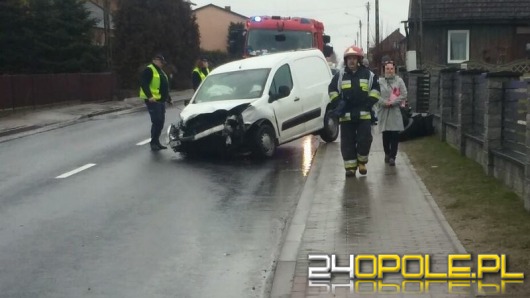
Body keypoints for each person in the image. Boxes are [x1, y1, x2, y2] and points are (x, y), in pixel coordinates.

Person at [328, 45, 381, 177]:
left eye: (354, 58)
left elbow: (376, 90)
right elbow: (332, 89)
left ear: (359, 60)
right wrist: (338, 102)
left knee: (365, 139)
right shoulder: (340, 75)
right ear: (346, 61)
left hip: (364, 114)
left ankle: (362, 162)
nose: (351, 61)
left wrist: (369, 102)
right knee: (347, 141)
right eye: (349, 59)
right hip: (346, 115)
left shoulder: (369, 75)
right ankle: (350, 168)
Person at [376, 60, 408, 166]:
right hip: (384, 111)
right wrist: (384, 102)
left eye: (391, 69)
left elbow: (404, 94)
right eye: (387, 69)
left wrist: (394, 102)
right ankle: (387, 153)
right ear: (384, 70)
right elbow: (375, 95)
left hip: (395, 111)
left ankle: (392, 157)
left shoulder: (399, 81)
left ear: (394, 69)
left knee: (395, 134)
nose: (389, 71)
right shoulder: (379, 82)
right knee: (386, 134)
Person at [139, 54, 173, 151]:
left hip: (161, 100)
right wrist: (149, 96)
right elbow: (144, 83)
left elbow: (165, 87)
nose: (162, 64)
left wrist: (169, 98)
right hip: (153, 100)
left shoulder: (161, 71)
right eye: (161, 62)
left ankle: (157, 141)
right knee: (157, 120)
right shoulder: (149, 70)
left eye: (163, 63)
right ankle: (153, 142)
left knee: (161, 121)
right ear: (155, 60)